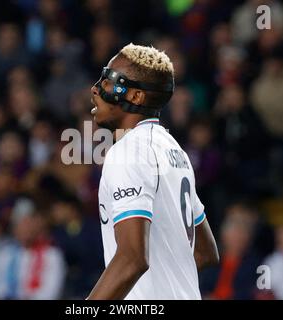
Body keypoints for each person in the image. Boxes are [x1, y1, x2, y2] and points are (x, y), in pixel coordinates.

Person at [87, 43, 219, 300]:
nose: (96, 88)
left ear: (136, 96)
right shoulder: (175, 151)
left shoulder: (128, 151)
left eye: (109, 81)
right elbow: (205, 252)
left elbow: (132, 258)